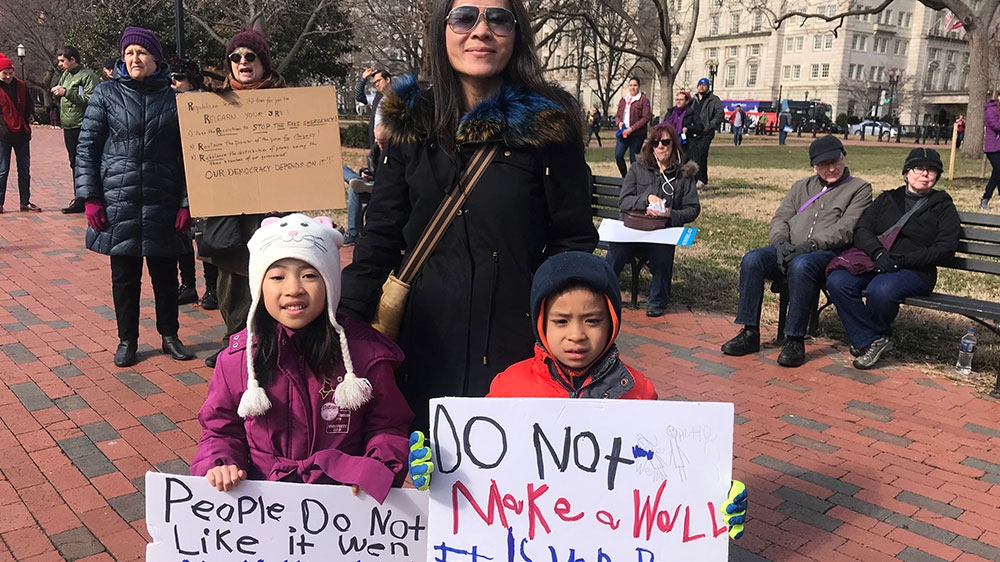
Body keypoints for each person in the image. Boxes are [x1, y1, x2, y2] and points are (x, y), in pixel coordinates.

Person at [340, 0, 599, 432]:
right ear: (443, 30)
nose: (481, 30)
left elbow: (572, 239)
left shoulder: (549, 125)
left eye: (498, 18)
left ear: (517, 34)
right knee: (422, 472)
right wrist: (343, 321)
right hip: (423, 340)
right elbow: (381, 234)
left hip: (515, 347)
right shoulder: (412, 120)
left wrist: (556, 323)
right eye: (464, 17)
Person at [487, 250, 747, 539]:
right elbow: (480, 463)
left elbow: (662, 476)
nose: (576, 334)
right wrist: (437, 472)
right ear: (541, 322)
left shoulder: (639, 391)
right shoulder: (507, 386)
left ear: (612, 321)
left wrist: (712, 493)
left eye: (592, 321)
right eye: (561, 321)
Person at [189, 214, 417, 502]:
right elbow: (220, 430)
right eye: (277, 276)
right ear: (259, 286)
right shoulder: (238, 359)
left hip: (344, 504)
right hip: (262, 502)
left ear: (331, 283)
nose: (294, 288)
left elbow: (387, 426)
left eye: (309, 275)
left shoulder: (365, 355)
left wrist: (378, 466)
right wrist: (220, 463)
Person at [75, 27, 195, 368]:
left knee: (165, 275)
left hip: (163, 197)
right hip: (118, 199)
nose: (134, 59)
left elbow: (192, 154)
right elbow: (87, 149)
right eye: (128, 53)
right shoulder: (106, 94)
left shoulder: (175, 99)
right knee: (124, 276)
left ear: (156, 58)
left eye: (141, 53)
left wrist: (187, 202)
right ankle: (127, 339)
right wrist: (90, 197)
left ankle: (169, 334)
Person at [720, 135, 872, 368]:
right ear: (814, 166)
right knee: (753, 260)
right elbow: (781, 217)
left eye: (835, 161)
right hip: (791, 248)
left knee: (802, 266)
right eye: (823, 164)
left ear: (844, 157)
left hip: (827, 253)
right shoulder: (801, 186)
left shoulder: (859, 188)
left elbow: (846, 228)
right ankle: (749, 331)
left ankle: (794, 338)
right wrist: (780, 242)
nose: (831, 168)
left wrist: (809, 246)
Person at [826, 149, 959, 370]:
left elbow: (945, 249)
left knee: (881, 289)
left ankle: (871, 337)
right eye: (919, 168)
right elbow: (863, 229)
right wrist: (878, 253)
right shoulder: (888, 198)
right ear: (907, 172)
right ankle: (871, 339)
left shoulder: (943, 206)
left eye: (932, 170)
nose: (925, 174)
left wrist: (903, 260)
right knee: (838, 281)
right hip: (876, 261)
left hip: (916, 270)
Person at [204, 27, 287, 369]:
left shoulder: (289, 102)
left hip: (275, 209)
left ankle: (273, 346)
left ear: (263, 62)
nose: (242, 62)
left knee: (274, 278)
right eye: (235, 57)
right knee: (232, 284)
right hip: (230, 214)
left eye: (250, 56)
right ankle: (236, 346)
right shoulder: (211, 105)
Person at [605, 123, 700, 317]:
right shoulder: (638, 168)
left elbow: (693, 209)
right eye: (656, 143)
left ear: (674, 145)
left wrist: (670, 214)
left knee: (662, 251)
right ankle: (604, 293)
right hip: (633, 229)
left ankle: (658, 299)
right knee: (617, 249)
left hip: (662, 231)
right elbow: (624, 201)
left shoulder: (684, 175)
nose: (660, 147)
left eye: (665, 142)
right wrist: (646, 199)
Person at [169, 57, 218, 311]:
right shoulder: (169, 104)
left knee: (204, 235)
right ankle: (187, 284)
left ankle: (212, 287)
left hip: (202, 176)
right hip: (176, 174)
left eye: (179, 78)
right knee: (181, 234)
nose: (173, 83)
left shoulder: (204, 105)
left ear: (192, 80)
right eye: (171, 78)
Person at [52, 46, 100, 214]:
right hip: (68, 125)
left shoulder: (87, 76)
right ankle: (79, 196)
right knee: (74, 162)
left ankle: (89, 197)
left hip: (83, 125)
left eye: (62, 61)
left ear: (73, 60)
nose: (60, 64)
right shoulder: (65, 75)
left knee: (86, 162)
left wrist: (66, 92)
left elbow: (90, 100)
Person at [349, 68, 394, 245]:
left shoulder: (398, 98)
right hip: (375, 145)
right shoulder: (375, 98)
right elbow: (359, 97)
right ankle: (364, 179)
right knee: (344, 170)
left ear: (388, 80)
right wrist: (363, 79)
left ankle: (366, 182)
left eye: (379, 81)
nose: (377, 85)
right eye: (374, 83)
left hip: (391, 143)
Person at [0, 53, 40, 214]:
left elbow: (29, 103)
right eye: (4, 73)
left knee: (24, 170)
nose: (8, 76)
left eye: (10, 72)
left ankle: (25, 201)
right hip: (3, 135)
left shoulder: (21, 85)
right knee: (2, 171)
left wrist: (30, 114)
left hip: (21, 134)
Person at [689, 77, 724, 187]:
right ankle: (693, 179)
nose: (701, 87)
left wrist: (709, 125)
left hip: (706, 132)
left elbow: (719, 115)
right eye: (700, 85)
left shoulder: (714, 100)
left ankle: (702, 179)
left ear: (708, 87)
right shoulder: (693, 100)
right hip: (693, 131)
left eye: (704, 85)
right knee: (692, 155)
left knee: (701, 155)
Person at [613, 77, 652, 177]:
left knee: (633, 159)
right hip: (624, 133)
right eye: (630, 85)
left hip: (637, 134)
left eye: (635, 85)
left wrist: (632, 129)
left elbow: (646, 117)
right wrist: (619, 123)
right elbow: (617, 116)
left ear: (638, 87)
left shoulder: (643, 100)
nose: (632, 88)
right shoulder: (623, 100)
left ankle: (635, 179)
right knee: (618, 155)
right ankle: (625, 177)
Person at [981, 92, 1000, 211]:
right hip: (993, 147)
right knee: (998, 171)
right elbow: (996, 125)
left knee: (998, 173)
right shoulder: (991, 110)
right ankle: (985, 198)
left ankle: (986, 199)